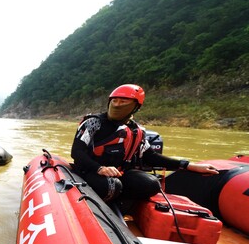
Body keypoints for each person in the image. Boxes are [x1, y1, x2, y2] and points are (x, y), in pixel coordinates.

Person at [71, 84, 219, 203]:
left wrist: (189, 165)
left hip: (120, 173)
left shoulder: (137, 131)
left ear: (136, 106)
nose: (117, 104)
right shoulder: (93, 123)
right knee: (112, 186)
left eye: (123, 101)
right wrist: (100, 168)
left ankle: (121, 205)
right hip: (89, 172)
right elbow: (76, 152)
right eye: (114, 101)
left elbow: (151, 157)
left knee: (151, 184)